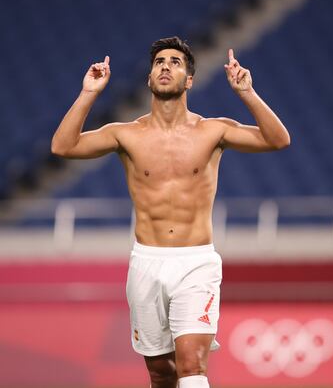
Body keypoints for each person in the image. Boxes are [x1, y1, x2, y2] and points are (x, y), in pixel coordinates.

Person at [51, 37, 290, 388]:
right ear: (149, 78)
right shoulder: (125, 134)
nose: (165, 66)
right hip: (147, 262)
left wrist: (247, 93)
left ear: (189, 80)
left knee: (191, 366)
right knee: (161, 373)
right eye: (159, 62)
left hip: (196, 263)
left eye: (175, 62)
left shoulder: (213, 130)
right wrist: (89, 92)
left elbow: (278, 139)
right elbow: (63, 146)